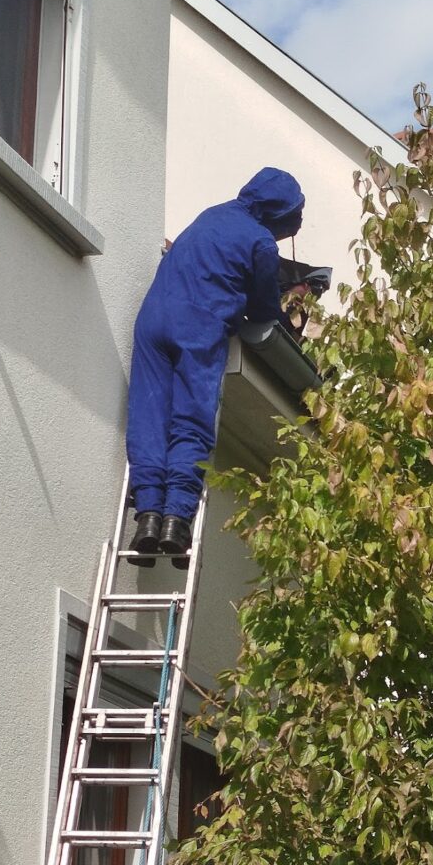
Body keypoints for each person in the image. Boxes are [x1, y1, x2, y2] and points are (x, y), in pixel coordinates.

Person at [126, 167, 305, 568]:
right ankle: (176, 521)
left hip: (153, 319)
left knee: (150, 416)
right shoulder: (261, 243)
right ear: (279, 215)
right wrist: (286, 300)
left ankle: (148, 517)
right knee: (191, 422)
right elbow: (262, 312)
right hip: (198, 326)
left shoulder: (211, 215)